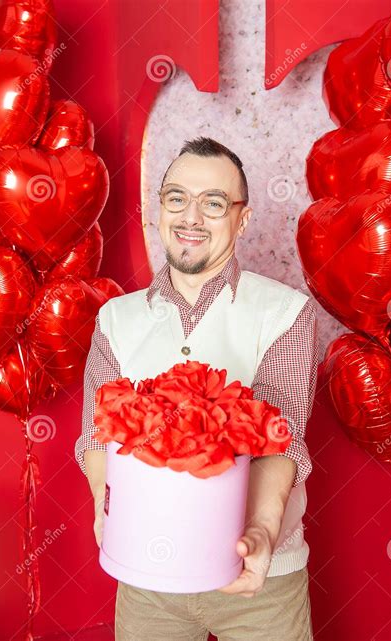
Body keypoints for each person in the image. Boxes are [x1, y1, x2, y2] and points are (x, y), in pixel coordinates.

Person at [75, 136, 318, 640]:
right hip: (148, 585)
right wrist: (106, 505)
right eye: (176, 198)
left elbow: (281, 436)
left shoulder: (285, 312)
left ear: (242, 219)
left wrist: (264, 530)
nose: (191, 217)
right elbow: (98, 438)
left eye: (213, 203)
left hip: (262, 582)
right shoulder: (115, 319)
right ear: (158, 208)